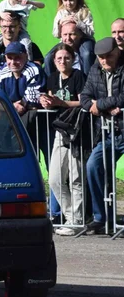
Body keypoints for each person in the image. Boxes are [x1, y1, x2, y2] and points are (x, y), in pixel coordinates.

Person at [41, 44, 87, 236]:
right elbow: (51, 101)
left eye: (66, 58)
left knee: (76, 178)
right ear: (54, 61)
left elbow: (83, 101)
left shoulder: (78, 76)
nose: (62, 61)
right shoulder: (52, 78)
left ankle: (77, 221)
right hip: (60, 131)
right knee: (55, 178)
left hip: (77, 130)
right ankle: (72, 217)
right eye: (59, 58)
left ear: (73, 58)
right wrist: (45, 101)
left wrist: (62, 103)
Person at [79, 37, 124, 233]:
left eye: (108, 56)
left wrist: (101, 104)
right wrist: (95, 107)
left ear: (117, 52)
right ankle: (101, 217)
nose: (105, 61)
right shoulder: (95, 70)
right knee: (93, 165)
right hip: (107, 131)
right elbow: (84, 97)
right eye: (101, 57)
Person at [0, 42, 46, 131]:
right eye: (9, 58)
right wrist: (12, 106)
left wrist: (8, 106)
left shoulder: (34, 70)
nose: (13, 62)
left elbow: (32, 101)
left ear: (26, 56)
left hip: (33, 120)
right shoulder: (2, 74)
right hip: (10, 114)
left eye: (17, 58)